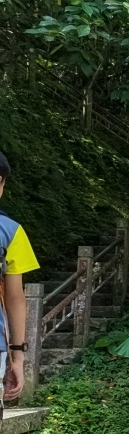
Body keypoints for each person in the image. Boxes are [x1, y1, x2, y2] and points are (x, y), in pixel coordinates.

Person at [0, 151, 39, 408]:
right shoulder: (9, 232)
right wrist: (17, 356)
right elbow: (14, 297)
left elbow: (15, 298)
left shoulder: (11, 231)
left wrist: (17, 354)